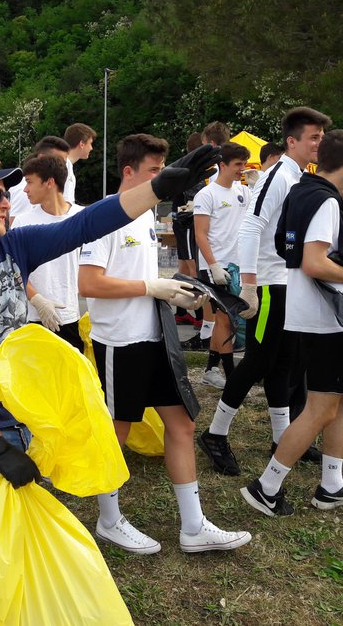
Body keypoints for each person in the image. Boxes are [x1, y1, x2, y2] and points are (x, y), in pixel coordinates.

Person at [0, 142, 222, 517]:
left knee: (24, 538)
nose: (5, 202)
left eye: (6, 194)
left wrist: (156, 188)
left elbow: (84, 225)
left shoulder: (13, 246)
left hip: (23, 418)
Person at [79, 134, 250, 554]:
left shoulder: (144, 215)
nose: (163, 178)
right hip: (120, 341)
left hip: (156, 336)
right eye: (155, 171)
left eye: (164, 169)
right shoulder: (106, 216)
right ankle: (108, 519)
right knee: (116, 432)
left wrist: (175, 290)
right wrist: (151, 287)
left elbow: (143, 281)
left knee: (182, 424)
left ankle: (193, 526)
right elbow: (89, 283)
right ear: (129, 172)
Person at [241, 130, 343, 517]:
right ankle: (266, 487)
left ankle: (332, 485)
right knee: (321, 408)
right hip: (327, 318)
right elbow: (313, 261)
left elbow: (284, 245)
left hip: (319, 313)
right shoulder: (324, 202)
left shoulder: (302, 190)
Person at [198, 107, 330, 476]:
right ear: (292, 141)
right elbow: (251, 228)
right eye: (313, 137)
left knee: (284, 363)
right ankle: (215, 433)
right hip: (269, 284)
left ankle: (282, 437)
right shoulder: (277, 177)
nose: (320, 143)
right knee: (257, 360)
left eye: (322, 137)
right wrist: (251, 285)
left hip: (288, 283)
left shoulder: (299, 175)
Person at [10, 154, 85, 352]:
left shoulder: (80, 218)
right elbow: (13, 269)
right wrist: (37, 299)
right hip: (33, 318)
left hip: (69, 316)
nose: (25, 189)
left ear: (49, 182)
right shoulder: (22, 223)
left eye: (29, 182)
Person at [193, 142, 250, 388]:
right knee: (226, 319)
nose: (242, 169)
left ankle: (210, 369)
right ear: (223, 165)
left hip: (238, 264)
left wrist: (257, 185)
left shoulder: (244, 191)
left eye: (244, 164)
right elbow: (200, 234)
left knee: (224, 320)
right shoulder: (207, 194)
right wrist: (214, 266)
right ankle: (230, 373)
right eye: (238, 164)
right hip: (217, 266)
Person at [174, 132, 205, 334]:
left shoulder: (183, 167)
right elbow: (192, 199)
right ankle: (201, 316)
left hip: (180, 222)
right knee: (193, 269)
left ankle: (181, 310)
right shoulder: (193, 170)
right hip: (187, 223)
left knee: (184, 268)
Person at [8, 136, 71, 220]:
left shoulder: (81, 215)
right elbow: (16, 227)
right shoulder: (23, 191)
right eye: (58, 160)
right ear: (41, 158)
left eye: (65, 162)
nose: (63, 165)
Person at [63, 122, 98, 204]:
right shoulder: (64, 167)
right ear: (82, 144)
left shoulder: (65, 165)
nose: (91, 148)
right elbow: (65, 205)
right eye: (90, 143)